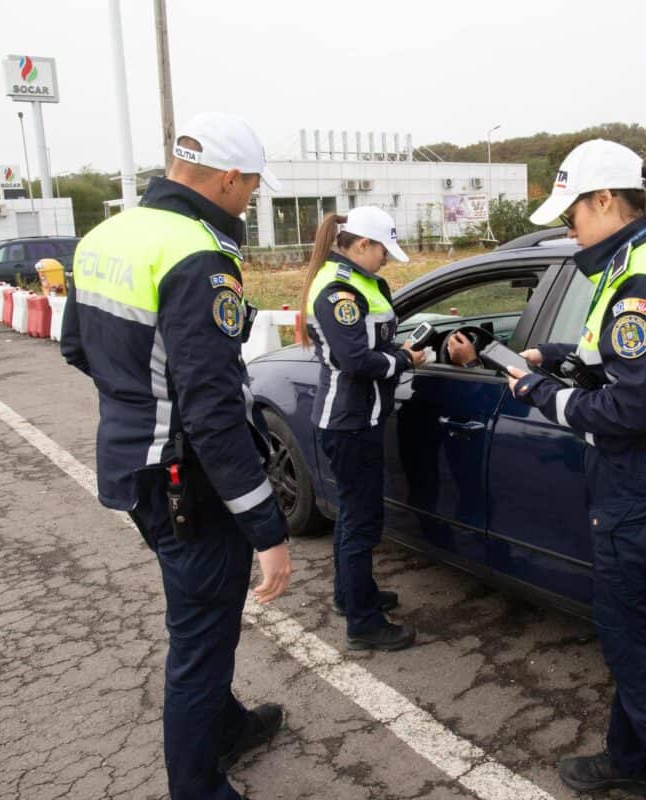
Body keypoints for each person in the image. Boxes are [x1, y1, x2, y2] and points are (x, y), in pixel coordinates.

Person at [448, 139, 646, 799]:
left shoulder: (644, 279)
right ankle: (628, 758)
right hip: (637, 485)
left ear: (605, 201)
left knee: (639, 652)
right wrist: (553, 356)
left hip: (638, 489)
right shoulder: (634, 266)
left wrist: (538, 392)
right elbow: (615, 359)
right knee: (634, 640)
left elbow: (624, 407)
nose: (569, 227)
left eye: (573, 212)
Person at [61, 112, 292, 800]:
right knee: (200, 641)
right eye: (250, 187)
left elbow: (77, 347)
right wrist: (267, 530)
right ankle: (199, 787)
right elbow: (214, 413)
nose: (251, 199)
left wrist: (138, 396)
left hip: (132, 466)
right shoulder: (198, 254)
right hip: (185, 480)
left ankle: (226, 727)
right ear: (226, 178)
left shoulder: (105, 236)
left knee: (202, 616)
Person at [298, 207, 427, 651]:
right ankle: (363, 624)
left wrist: (395, 349)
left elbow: (373, 343)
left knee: (354, 517)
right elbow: (357, 361)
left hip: (360, 418)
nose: (386, 261)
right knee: (360, 522)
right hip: (349, 422)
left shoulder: (361, 283)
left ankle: (352, 595)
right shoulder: (338, 292)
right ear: (362, 246)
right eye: (382, 252)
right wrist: (406, 359)